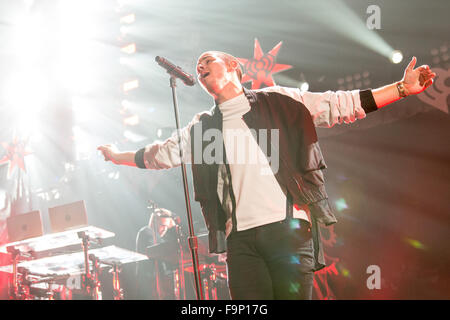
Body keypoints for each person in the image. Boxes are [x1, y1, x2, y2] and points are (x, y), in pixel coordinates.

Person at [98, 51, 435, 300]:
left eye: (207, 60)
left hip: (288, 232)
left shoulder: (278, 100)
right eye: (198, 67)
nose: (200, 67)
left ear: (233, 67)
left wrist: (401, 89)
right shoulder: (201, 129)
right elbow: (160, 154)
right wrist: (117, 157)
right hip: (241, 243)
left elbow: (340, 105)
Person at [135, 207, 180, 299]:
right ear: (154, 222)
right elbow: (155, 252)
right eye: (162, 225)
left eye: (167, 226)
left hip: (160, 283)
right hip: (150, 282)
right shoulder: (147, 231)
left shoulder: (160, 238)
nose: (165, 229)